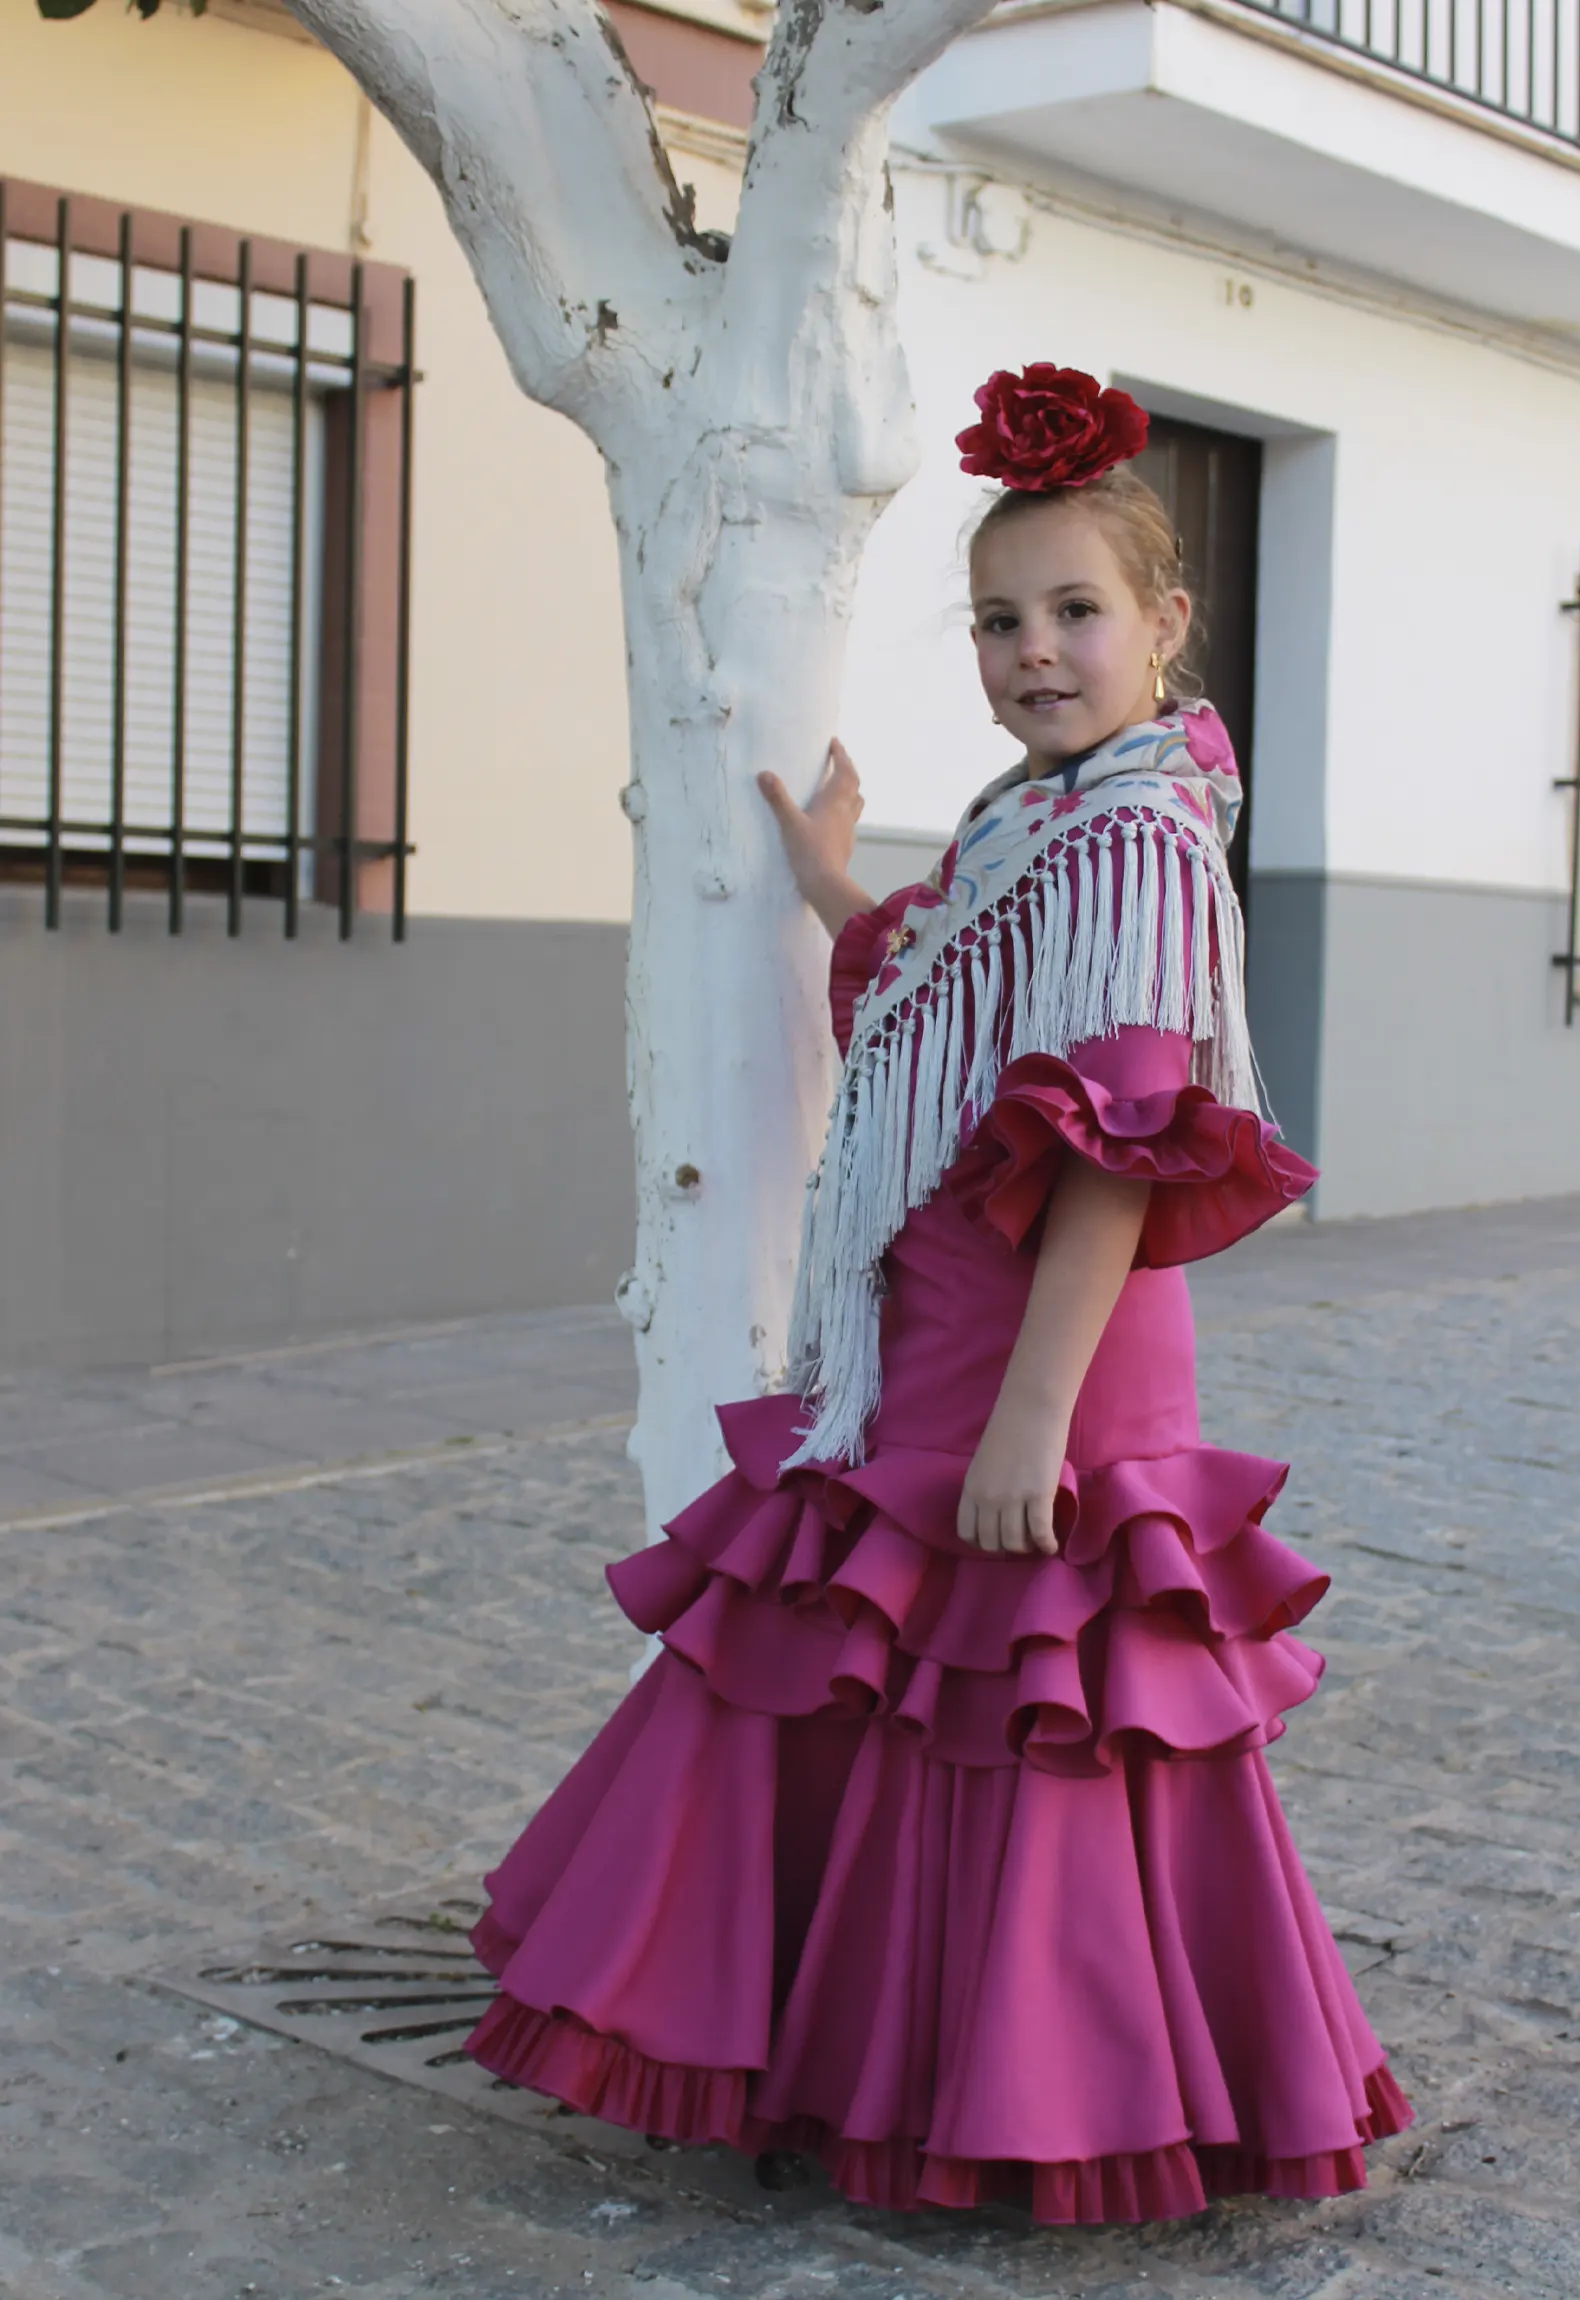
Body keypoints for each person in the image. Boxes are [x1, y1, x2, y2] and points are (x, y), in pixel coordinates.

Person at [464, 364, 1412, 2224]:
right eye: (999, 618)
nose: (1034, 651)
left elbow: (1106, 1157)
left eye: (1075, 613)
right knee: (901, 1690)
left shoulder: (1137, 838)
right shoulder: (1033, 824)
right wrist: (833, 888)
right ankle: (875, 2055)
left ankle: (1053, 2091)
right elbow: (941, 992)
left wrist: (1034, 1425)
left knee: (1036, 1699)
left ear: (1167, 625)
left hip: (1041, 1355)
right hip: (938, 1342)